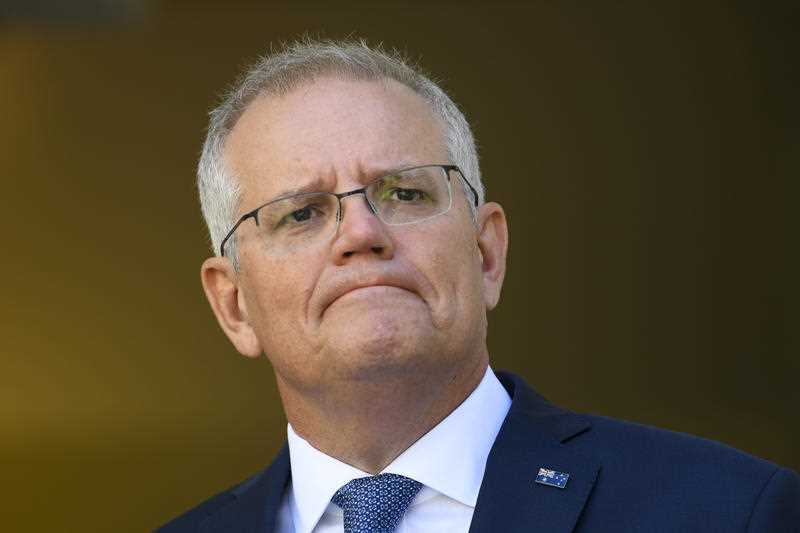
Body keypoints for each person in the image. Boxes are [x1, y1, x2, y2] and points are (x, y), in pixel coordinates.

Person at [159, 39, 799, 533]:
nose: (360, 232)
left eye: (405, 192)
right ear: (234, 304)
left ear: (487, 252)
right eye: (302, 213)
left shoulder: (731, 510)